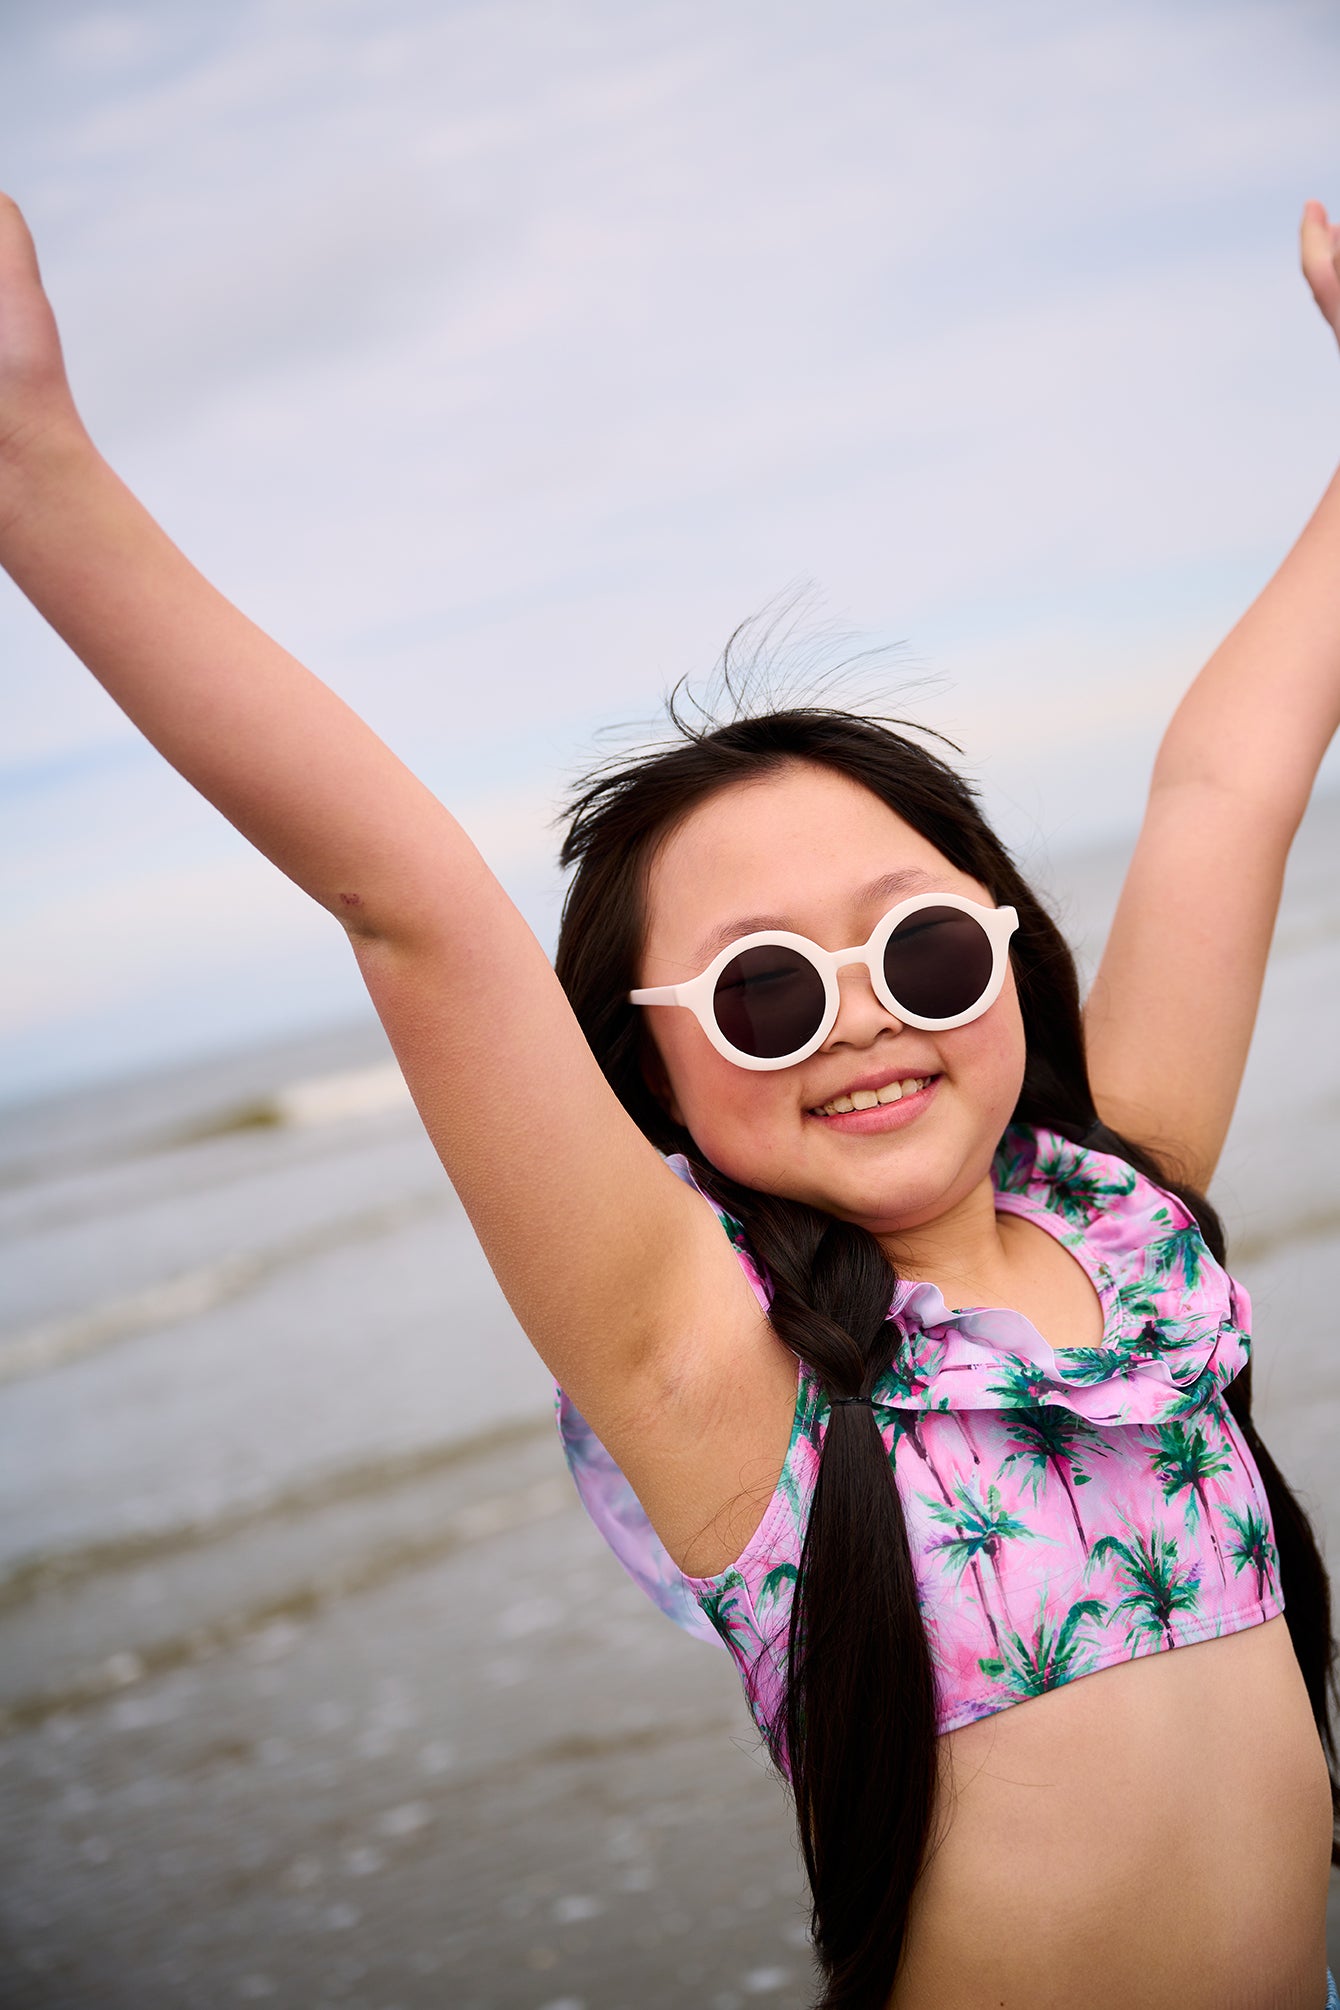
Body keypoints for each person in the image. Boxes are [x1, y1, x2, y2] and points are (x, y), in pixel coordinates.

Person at [0, 186, 1337, 2009]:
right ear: (655, 1069)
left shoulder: (1132, 1218)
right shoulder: (723, 1378)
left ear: (1006, 953)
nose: (863, 1018)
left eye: (921, 947)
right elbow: (407, 905)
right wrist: (35, 465)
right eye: (765, 991)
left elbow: (1228, 785)